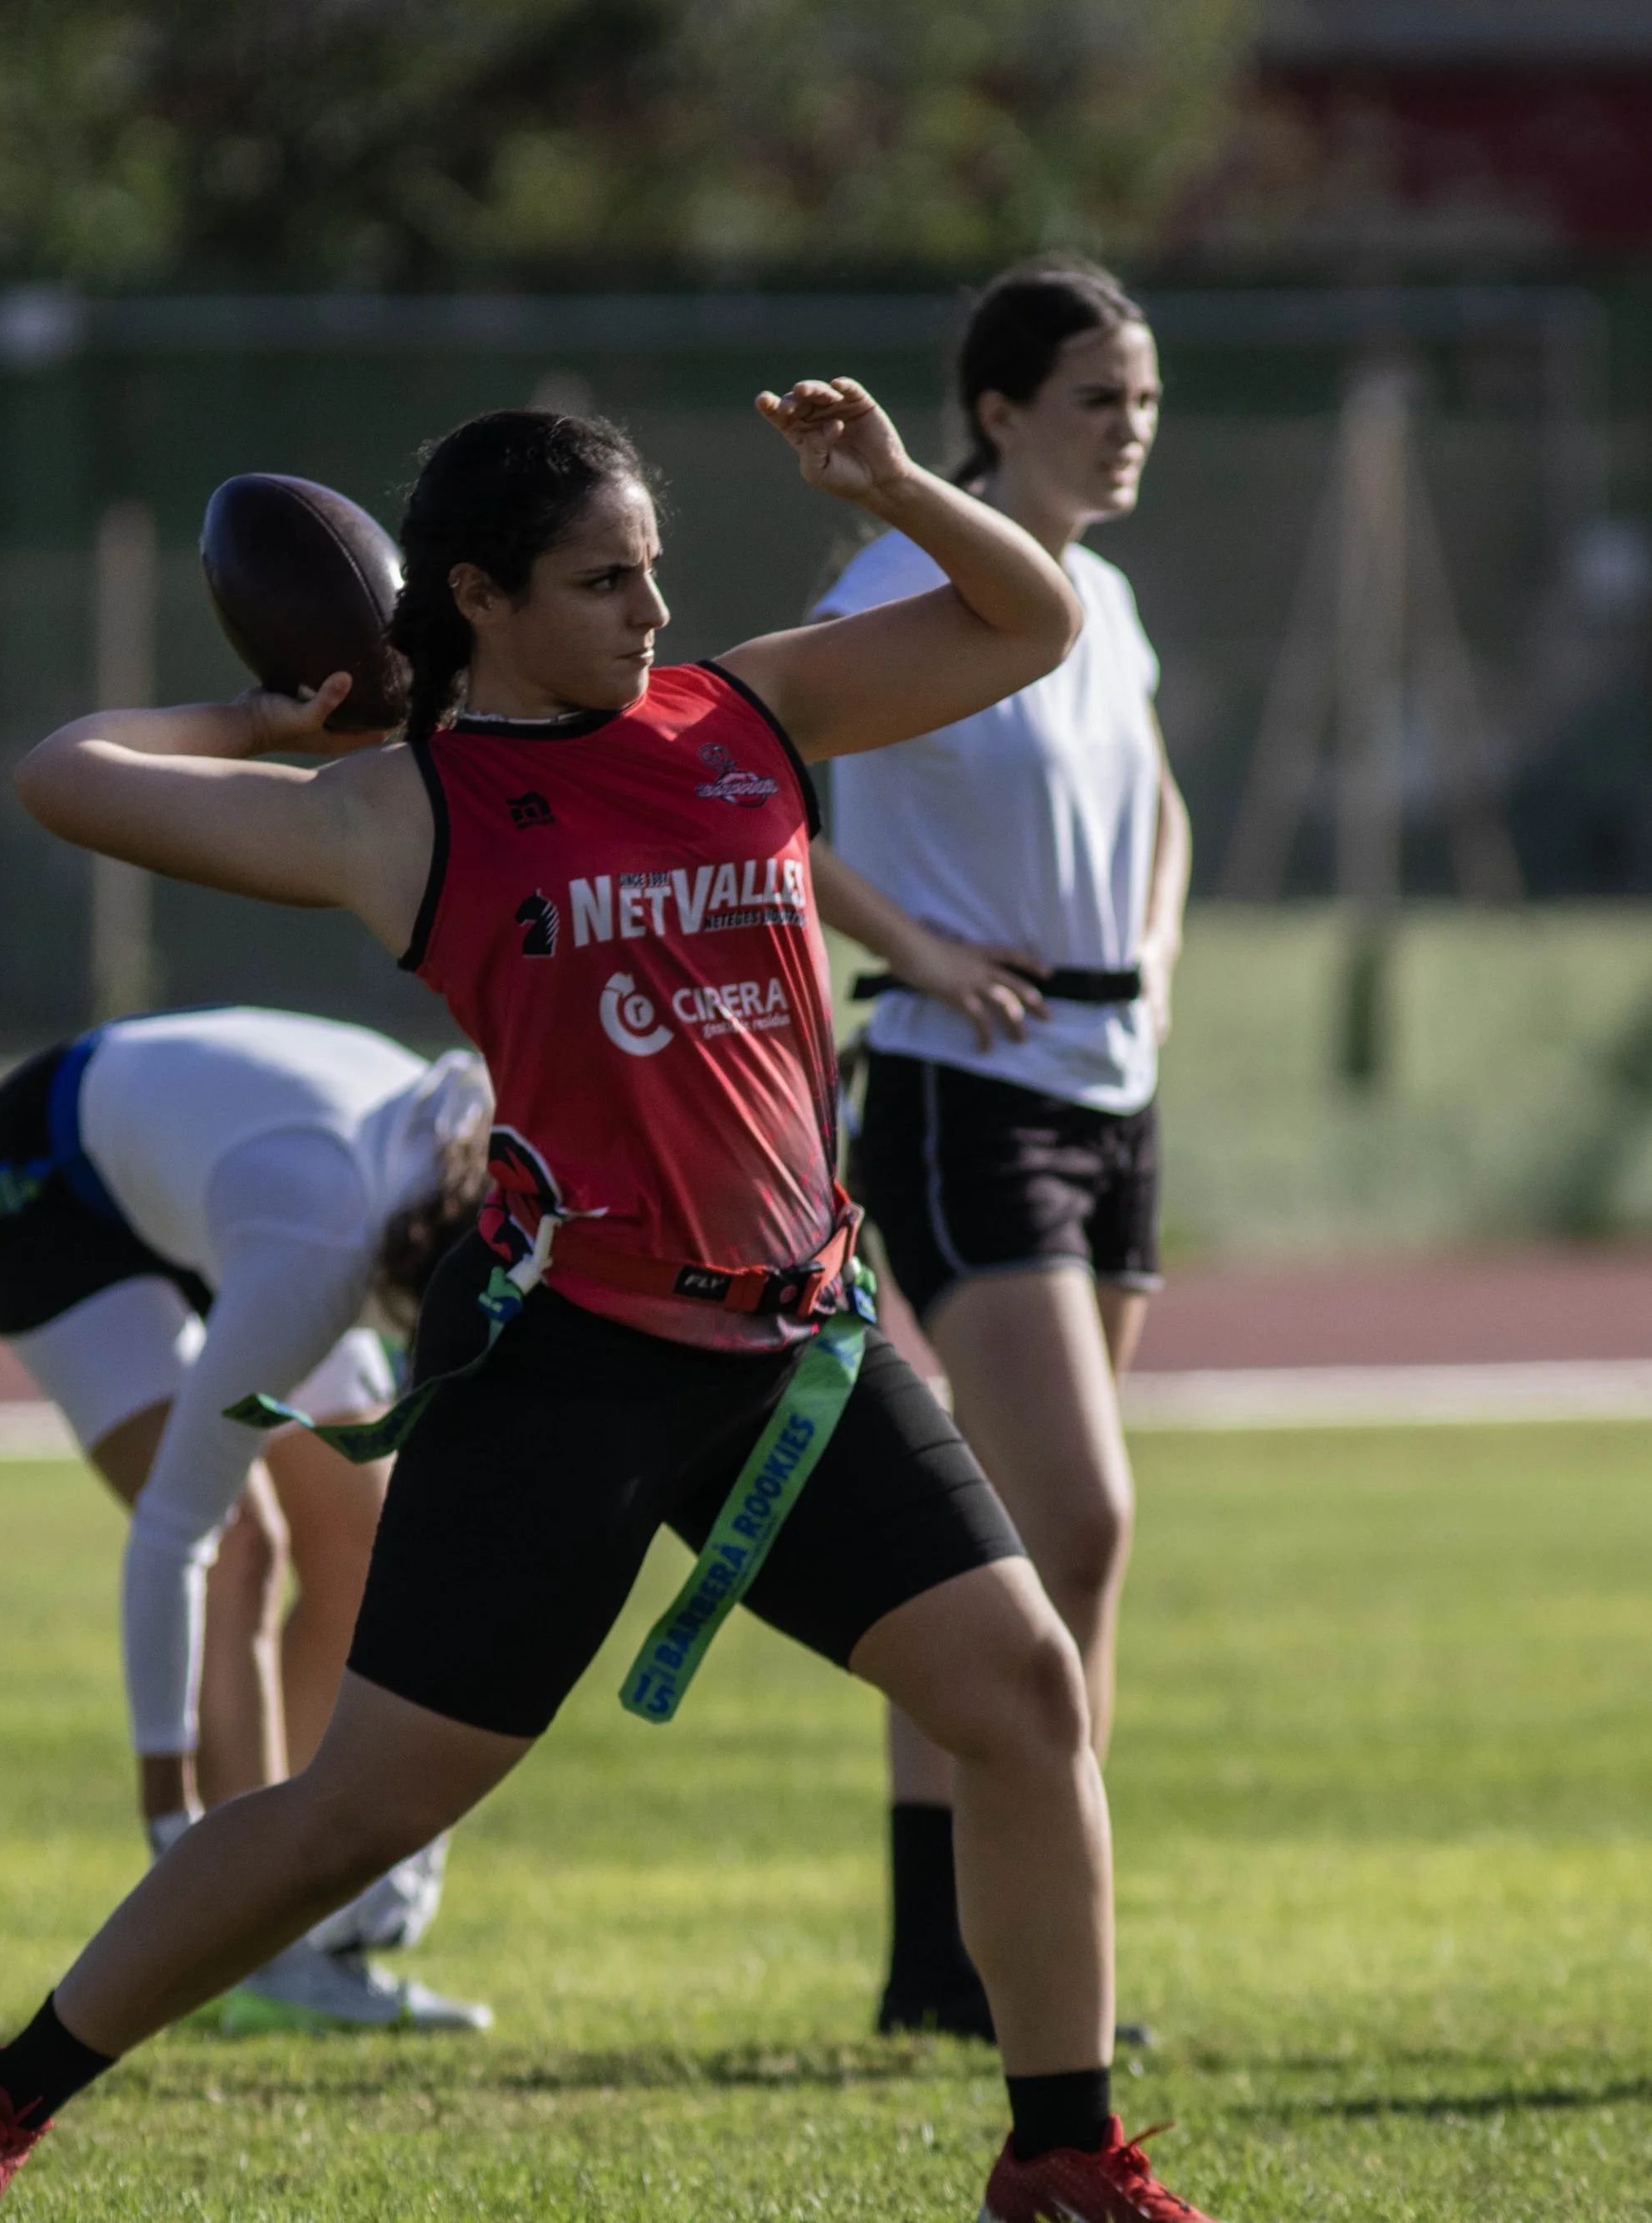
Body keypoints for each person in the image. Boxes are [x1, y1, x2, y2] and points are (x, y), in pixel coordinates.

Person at [0, 376, 1221, 2223]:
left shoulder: (744, 708)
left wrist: (899, 482)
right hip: (563, 1365)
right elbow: (63, 774)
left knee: (1022, 1687)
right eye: (602, 582)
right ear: (479, 595)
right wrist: (271, 721)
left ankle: (1058, 2155)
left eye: (654, 570)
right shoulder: (396, 811)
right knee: (359, 1808)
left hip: (793, 1346)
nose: (648, 614)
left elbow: (1033, 618)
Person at [805, 257, 1190, 2041]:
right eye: (1096, 399)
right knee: (1074, 1523)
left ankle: (955, 1970)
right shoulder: (903, 573)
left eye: (1143, 400)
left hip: (1109, 1085)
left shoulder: (1100, 598)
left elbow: (1156, 800)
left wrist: (1162, 962)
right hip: (964, 1088)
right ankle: (1010, 1958)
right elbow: (747, 789)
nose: (1128, 431)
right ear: (996, 415)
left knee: (1008, 1552)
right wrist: (918, 949)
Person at [0, 1004, 495, 2032]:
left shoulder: (444, 1179)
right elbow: (173, 1535)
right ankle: (252, 1943)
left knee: (364, 1536)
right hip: (50, 1181)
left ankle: (294, 1887)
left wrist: (400, 1816)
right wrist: (169, 1807)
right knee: (239, 1539)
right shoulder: (322, 1247)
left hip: (227, 1185)